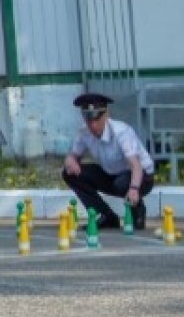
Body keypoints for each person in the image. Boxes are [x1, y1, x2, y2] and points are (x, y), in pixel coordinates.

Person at [62, 92, 156, 230]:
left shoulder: (121, 132)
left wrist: (134, 189)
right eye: (89, 120)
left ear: (106, 115)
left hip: (141, 176)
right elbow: (72, 155)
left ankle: (138, 211)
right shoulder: (84, 133)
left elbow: (136, 165)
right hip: (112, 174)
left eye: (97, 119)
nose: (93, 125)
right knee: (69, 174)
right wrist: (71, 161)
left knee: (121, 183)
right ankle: (106, 216)